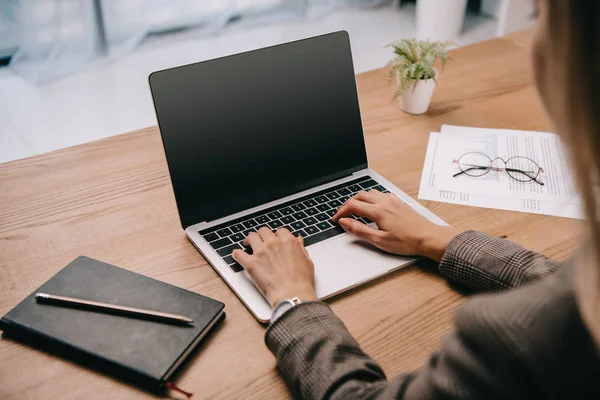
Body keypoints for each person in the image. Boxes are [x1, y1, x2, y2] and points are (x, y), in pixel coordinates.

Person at [231, 0, 600, 398]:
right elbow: (565, 280)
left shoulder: (516, 340)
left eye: (540, 17)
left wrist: (292, 299)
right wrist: (440, 240)